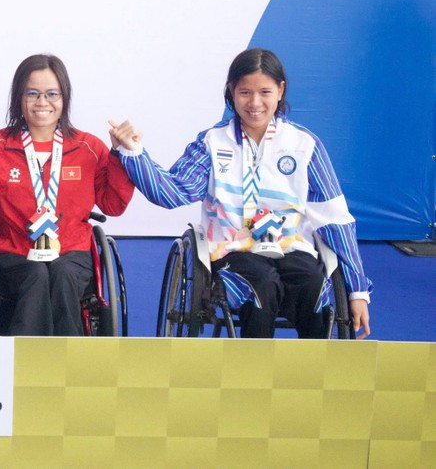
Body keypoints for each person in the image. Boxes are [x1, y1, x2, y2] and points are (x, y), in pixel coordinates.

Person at [110, 48, 372, 339]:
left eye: (265, 92)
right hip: (232, 249)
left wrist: (357, 290)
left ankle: (312, 379)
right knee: (260, 286)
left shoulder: (305, 144)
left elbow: (335, 219)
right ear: (231, 91)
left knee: (313, 286)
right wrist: (133, 152)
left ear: (281, 90)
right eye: (245, 92)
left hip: (291, 246)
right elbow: (174, 192)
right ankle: (251, 378)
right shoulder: (212, 142)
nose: (255, 103)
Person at [0, 54, 134, 336]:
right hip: (13, 251)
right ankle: (25, 361)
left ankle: (69, 361)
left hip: (71, 251)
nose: (42, 102)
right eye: (33, 93)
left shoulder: (88, 147)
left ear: (64, 98)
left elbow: (113, 204)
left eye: (52, 93)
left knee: (63, 274)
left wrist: (120, 155)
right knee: (37, 274)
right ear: (19, 98)